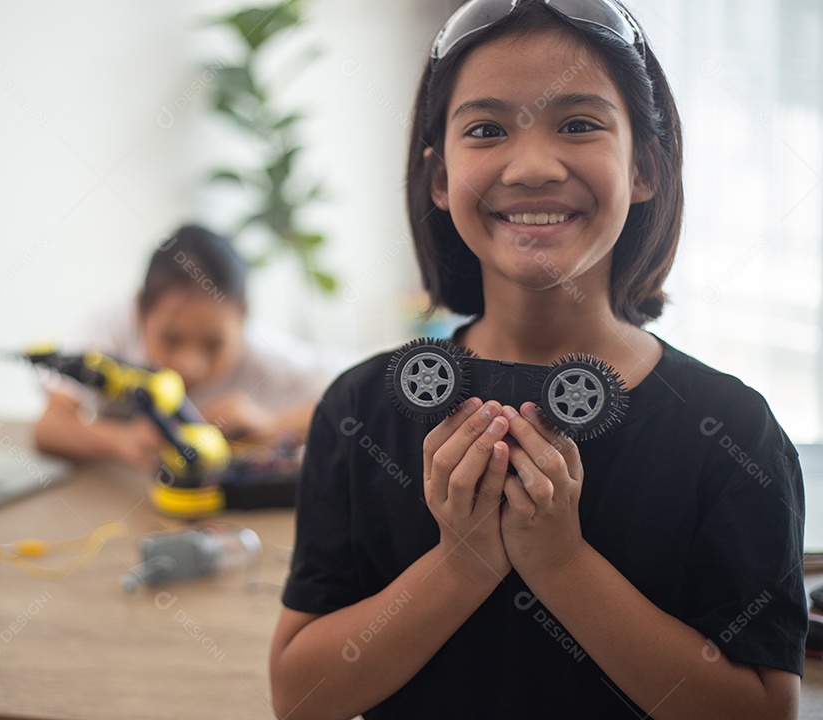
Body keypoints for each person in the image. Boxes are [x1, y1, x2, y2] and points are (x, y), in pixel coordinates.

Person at [269, 2, 806, 719]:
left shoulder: (731, 431)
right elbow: (299, 696)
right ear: (438, 178)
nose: (531, 167)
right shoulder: (358, 411)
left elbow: (761, 709)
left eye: (579, 124)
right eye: (486, 130)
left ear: (644, 164)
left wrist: (559, 562)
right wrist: (462, 563)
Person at [33, 224, 341, 470]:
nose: (190, 365)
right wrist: (123, 440)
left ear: (244, 317)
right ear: (140, 309)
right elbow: (49, 427)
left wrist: (269, 420)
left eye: (213, 344)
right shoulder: (107, 329)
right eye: (171, 338)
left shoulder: (263, 351)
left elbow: (359, 399)